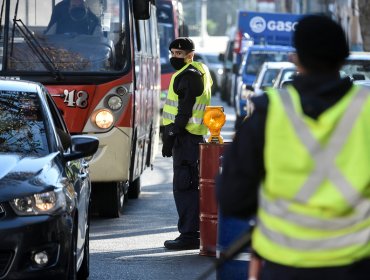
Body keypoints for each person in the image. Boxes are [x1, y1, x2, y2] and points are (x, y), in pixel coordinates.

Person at [217, 14, 370, 280]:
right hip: (356, 264)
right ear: (344, 57)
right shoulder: (366, 109)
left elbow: (233, 197)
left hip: (283, 264)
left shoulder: (269, 111)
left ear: (295, 58)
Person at [162, 37, 212, 250]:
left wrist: (172, 133)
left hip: (186, 138)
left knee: (185, 187)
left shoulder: (189, 75)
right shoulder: (201, 70)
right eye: (172, 53)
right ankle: (192, 232)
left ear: (190, 55)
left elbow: (184, 109)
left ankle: (189, 234)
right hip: (192, 137)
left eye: (179, 54)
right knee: (190, 184)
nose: (174, 57)